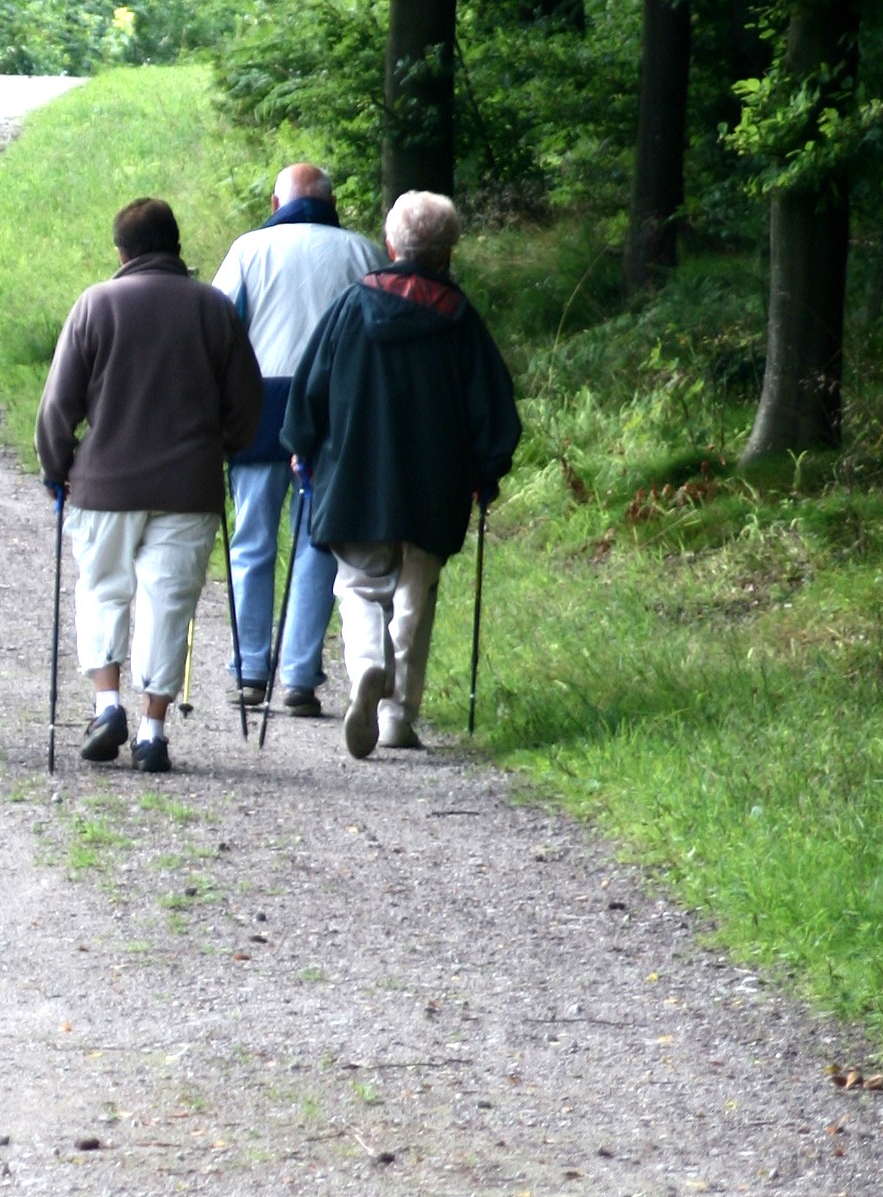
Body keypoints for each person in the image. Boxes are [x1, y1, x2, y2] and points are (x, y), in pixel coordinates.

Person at [281, 191, 522, 759]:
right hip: (435, 484)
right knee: (414, 594)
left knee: (359, 585)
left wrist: (300, 445)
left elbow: (310, 385)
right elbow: (494, 409)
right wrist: (488, 470)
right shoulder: (460, 318)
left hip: (354, 476)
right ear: (447, 252)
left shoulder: (351, 305)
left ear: (391, 244)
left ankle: (369, 661)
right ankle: (396, 717)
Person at [36, 198, 262, 772]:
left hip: (104, 485)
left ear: (122, 253)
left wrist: (56, 467)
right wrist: (221, 448)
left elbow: (58, 405)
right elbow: (247, 404)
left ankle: (107, 704)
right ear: (176, 246)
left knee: (102, 589)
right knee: (168, 604)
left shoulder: (96, 304)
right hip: (188, 487)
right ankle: (152, 733)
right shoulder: (214, 309)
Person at [210, 162, 383, 717]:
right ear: (331, 203)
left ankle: (249, 668)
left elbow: (219, 329)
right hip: (334, 415)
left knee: (251, 541)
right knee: (317, 543)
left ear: (275, 202)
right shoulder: (363, 254)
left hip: (258, 410)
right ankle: (300, 675)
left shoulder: (248, 250)